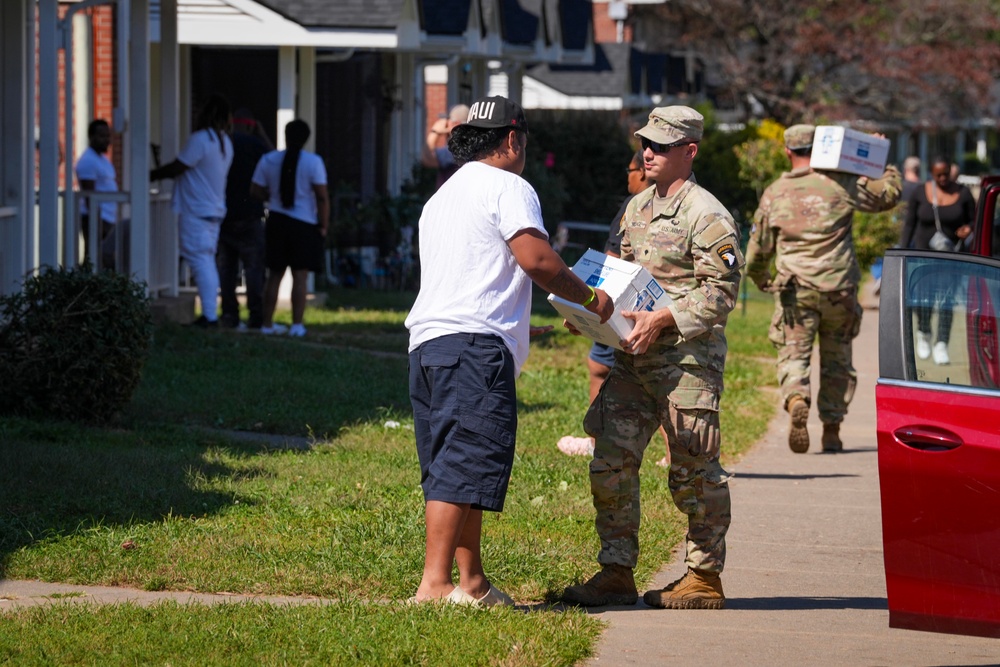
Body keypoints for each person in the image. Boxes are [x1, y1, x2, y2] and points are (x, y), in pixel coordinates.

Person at [405, 95, 614, 606]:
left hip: (430, 344)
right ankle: (434, 584)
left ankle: (471, 582)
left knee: (455, 463)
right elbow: (538, 260)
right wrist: (591, 299)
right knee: (464, 461)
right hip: (473, 349)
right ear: (514, 139)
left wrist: (517, 327)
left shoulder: (443, 196)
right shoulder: (510, 185)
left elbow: (470, 277)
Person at [560, 106, 743, 610]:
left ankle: (703, 578)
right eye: (646, 143)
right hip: (631, 361)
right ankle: (616, 572)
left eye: (661, 146)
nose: (648, 152)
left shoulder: (708, 214)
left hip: (686, 363)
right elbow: (612, 275)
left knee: (694, 471)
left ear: (690, 151)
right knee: (610, 464)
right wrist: (587, 311)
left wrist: (661, 319)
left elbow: (721, 293)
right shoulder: (635, 208)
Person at [745, 124, 901, 454]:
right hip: (839, 288)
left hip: (795, 289)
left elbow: (759, 248)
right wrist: (882, 161)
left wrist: (760, 278)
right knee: (837, 358)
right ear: (820, 150)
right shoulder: (840, 182)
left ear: (788, 151)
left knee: (793, 355)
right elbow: (887, 196)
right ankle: (832, 428)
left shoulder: (775, 191)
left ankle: (797, 396)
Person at [557, 150, 671, 468]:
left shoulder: (632, 206)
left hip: (619, 306)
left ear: (643, 172)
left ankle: (598, 443)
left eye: (630, 169)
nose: (628, 176)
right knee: (659, 377)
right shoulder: (675, 205)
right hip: (655, 304)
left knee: (606, 368)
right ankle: (675, 454)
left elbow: (612, 259)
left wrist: (589, 305)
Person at [151, 94, 234, 328]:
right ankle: (210, 314)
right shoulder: (225, 143)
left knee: (200, 261)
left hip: (196, 210)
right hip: (213, 210)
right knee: (205, 259)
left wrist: (151, 174)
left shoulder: (201, 140)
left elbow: (180, 166)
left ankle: (209, 317)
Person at [251, 119, 329, 337]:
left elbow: (255, 190)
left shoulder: (269, 160)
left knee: (274, 274)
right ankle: (297, 325)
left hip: (276, 220)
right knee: (300, 276)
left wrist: (271, 197)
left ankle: (267, 324)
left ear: (285, 135)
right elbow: (321, 197)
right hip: (304, 224)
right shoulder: (313, 162)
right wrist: (324, 225)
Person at [899, 155, 976, 365]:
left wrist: (968, 229)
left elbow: (974, 219)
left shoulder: (963, 193)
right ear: (931, 173)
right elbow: (909, 225)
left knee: (947, 302)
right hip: (923, 258)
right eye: (938, 174)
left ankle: (942, 343)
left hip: (951, 257)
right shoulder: (920, 192)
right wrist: (902, 253)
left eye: (945, 173)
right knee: (923, 300)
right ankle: (924, 332)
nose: (943, 178)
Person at [218, 108, 273, 330]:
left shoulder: (223, 143)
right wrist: (262, 134)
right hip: (250, 214)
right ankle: (255, 316)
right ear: (252, 126)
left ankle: (230, 315)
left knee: (227, 268)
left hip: (224, 213)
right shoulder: (256, 145)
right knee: (253, 267)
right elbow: (274, 160)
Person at [75, 119, 118, 265]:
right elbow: (89, 195)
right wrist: (97, 222)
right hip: (95, 218)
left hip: (108, 218)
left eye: (108, 136)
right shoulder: (88, 161)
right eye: (102, 136)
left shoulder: (103, 159)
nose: (107, 140)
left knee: (104, 258)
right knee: (94, 258)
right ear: (91, 137)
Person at [421, 104, 469, 190]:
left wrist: (435, 132)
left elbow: (427, 160)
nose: (445, 123)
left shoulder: (456, 148)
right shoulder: (470, 145)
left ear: (455, 123)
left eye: (447, 120)